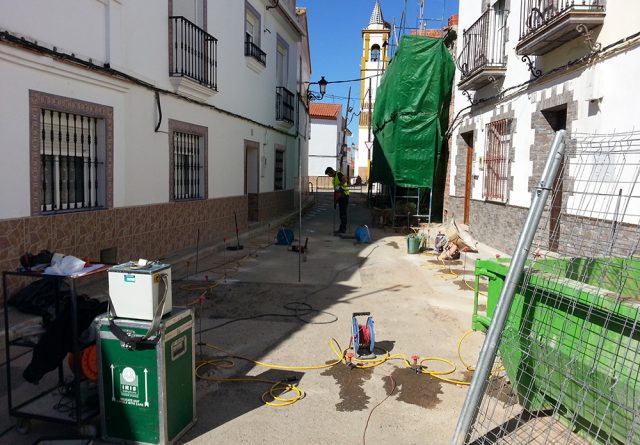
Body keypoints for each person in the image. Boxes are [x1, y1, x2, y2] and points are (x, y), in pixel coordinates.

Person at [325, 166, 350, 234]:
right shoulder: (334, 178)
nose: (329, 176)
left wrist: (339, 185)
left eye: (329, 174)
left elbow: (345, 180)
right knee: (341, 213)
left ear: (331, 172)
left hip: (344, 195)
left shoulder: (338, 174)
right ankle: (341, 228)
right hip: (340, 196)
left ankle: (343, 229)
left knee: (343, 214)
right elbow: (336, 189)